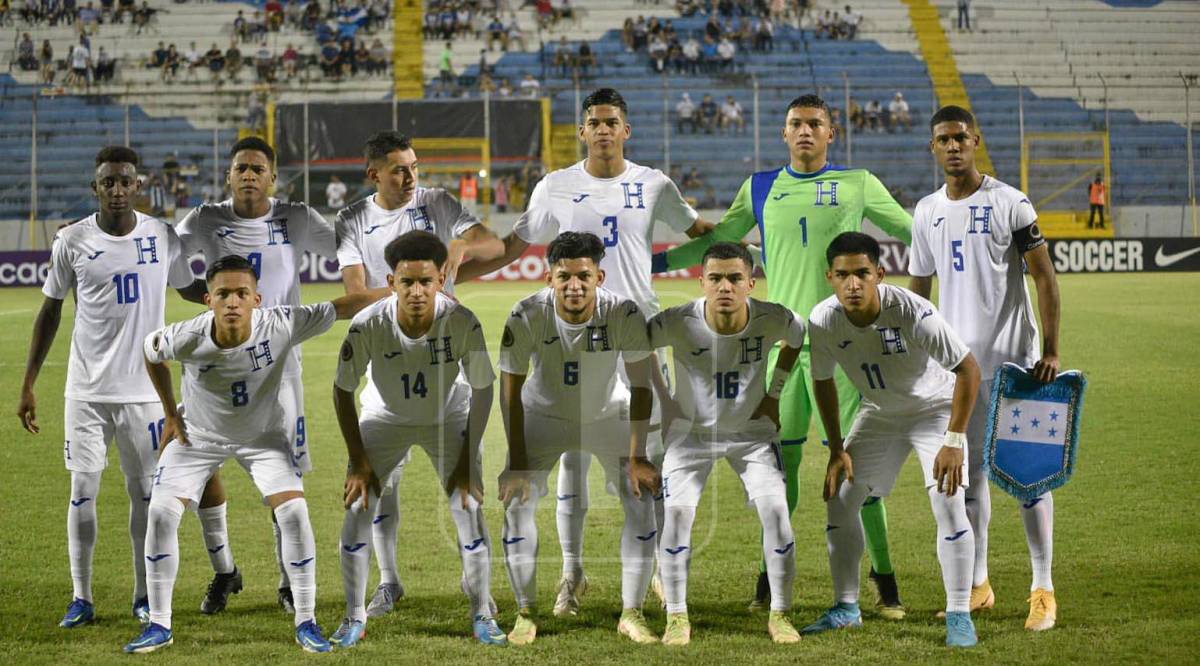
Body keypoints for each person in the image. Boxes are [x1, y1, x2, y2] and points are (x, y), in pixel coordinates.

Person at [456, 89, 714, 622]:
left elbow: (701, 236)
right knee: (572, 458)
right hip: (573, 335)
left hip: (636, 334)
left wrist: (759, 240)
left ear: (626, 130)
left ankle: (662, 574)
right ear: (582, 131)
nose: (602, 130)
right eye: (593, 122)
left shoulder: (653, 184)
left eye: (611, 122)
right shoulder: (555, 187)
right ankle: (572, 575)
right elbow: (511, 248)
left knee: (652, 462)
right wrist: (449, 279)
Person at [651, 94, 913, 615]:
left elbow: (915, 230)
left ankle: (886, 584)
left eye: (815, 124)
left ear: (831, 133)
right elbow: (719, 242)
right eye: (795, 124)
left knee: (857, 472)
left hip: (847, 350)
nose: (805, 132)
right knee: (782, 472)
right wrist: (647, 259)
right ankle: (770, 583)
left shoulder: (859, 183)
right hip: (786, 351)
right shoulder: (761, 187)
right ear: (783, 133)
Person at [122, 255, 383, 653]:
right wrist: (171, 413)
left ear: (256, 299)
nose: (232, 301)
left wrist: (395, 293)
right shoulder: (187, 335)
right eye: (223, 293)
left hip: (264, 439)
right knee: (160, 513)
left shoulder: (280, 323)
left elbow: (342, 306)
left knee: (294, 513)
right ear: (208, 299)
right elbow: (150, 351)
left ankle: (307, 620)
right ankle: (159, 624)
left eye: (241, 293)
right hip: (199, 437)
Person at [17, 147, 195, 631]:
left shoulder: (162, 235)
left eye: (125, 181)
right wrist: (29, 383)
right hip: (87, 392)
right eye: (108, 182)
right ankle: (82, 596)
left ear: (139, 186)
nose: (117, 190)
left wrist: (242, 282)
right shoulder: (72, 240)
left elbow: (191, 290)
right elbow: (50, 311)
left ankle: (142, 594)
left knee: (144, 496)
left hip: (145, 393)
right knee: (83, 490)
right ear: (95, 188)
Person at [334, 131, 504, 617]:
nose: (410, 178)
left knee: (467, 496)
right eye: (398, 170)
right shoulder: (352, 219)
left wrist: (459, 248)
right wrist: (413, 290)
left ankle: (480, 594)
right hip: (388, 360)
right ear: (374, 174)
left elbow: (490, 244)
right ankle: (388, 583)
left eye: (413, 167)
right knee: (377, 494)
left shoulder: (438, 201)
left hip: (444, 359)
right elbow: (354, 293)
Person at [909, 105, 1063, 632]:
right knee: (969, 480)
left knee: (1028, 477)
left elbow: (1044, 277)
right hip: (959, 371)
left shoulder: (1011, 203)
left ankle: (1042, 589)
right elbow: (919, 292)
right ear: (933, 148)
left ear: (975, 140)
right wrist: (917, 355)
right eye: (942, 140)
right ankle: (979, 586)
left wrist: (1052, 350)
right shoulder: (925, 210)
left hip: (1018, 364)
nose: (952, 147)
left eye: (960, 138)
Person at [175, 137, 336, 619]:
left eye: (257, 168)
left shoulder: (298, 217)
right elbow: (163, 255)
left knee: (282, 470)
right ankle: (225, 570)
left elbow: (347, 248)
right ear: (229, 175)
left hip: (279, 364)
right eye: (241, 168)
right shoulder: (205, 219)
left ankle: (289, 582)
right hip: (219, 359)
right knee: (202, 463)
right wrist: (215, 306)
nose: (248, 175)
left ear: (273, 177)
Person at [803, 231, 981, 648]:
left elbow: (968, 370)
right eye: (843, 275)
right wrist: (835, 449)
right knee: (840, 497)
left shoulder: (914, 313)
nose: (853, 284)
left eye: (862, 273)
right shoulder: (823, 320)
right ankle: (847, 608)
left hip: (933, 411)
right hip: (880, 413)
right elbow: (822, 382)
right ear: (830, 276)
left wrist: (954, 439)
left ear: (880, 273)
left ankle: (958, 612)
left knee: (948, 499)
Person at [496, 231, 659, 645]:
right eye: (564, 276)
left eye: (584, 276)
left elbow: (641, 386)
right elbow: (510, 392)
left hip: (607, 414)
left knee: (641, 501)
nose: (574, 285)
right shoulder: (526, 313)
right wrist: (516, 462)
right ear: (549, 277)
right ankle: (526, 612)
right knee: (518, 504)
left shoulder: (623, 312)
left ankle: (631, 612)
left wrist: (638, 455)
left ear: (599, 277)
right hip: (544, 414)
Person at [649, 242, 804, 646]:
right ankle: (677, 617)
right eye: (715, 278)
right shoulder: (677, 320)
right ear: (700, 282)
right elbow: (638, 345)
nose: (725, 287)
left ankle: (781, 614)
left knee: (777, 515)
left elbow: (797, 338)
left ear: (751, 283)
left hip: (752, 436)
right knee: (678, 519)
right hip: (691, 438)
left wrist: (774, 393)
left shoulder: (774, 318)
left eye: (735, 278)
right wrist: (665, 399)